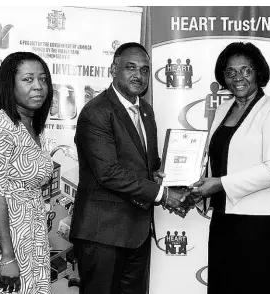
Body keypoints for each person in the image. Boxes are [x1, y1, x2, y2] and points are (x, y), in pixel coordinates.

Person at [69, 42, 190, 294]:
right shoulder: (97, 112)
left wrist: (160, 176)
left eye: (145, 70)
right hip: (102, 233)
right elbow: (108, 173)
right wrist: (163, 194)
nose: (139, 75)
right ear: (114, 69)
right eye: (131, 68)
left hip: (137, 231)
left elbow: (148, 164)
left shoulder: (145, 110)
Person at [190, 42, 270, 294]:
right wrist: (191, 182)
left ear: (258, 72)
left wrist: (221, 183)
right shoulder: (223, 109)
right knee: (223, 286)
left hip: (260, 223)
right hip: (224, 218)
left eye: (245, 70)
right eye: (230, 72)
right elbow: (217, 158)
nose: (238, 78)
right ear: (223, 76)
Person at [0, 51, 54, 294]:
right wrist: (8, 257)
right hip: (10, 236)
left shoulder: (36, 127)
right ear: (9, 85)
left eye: (42, 79)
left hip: (35, 232)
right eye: (28, 79)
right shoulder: (1, 125)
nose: (38, 87)